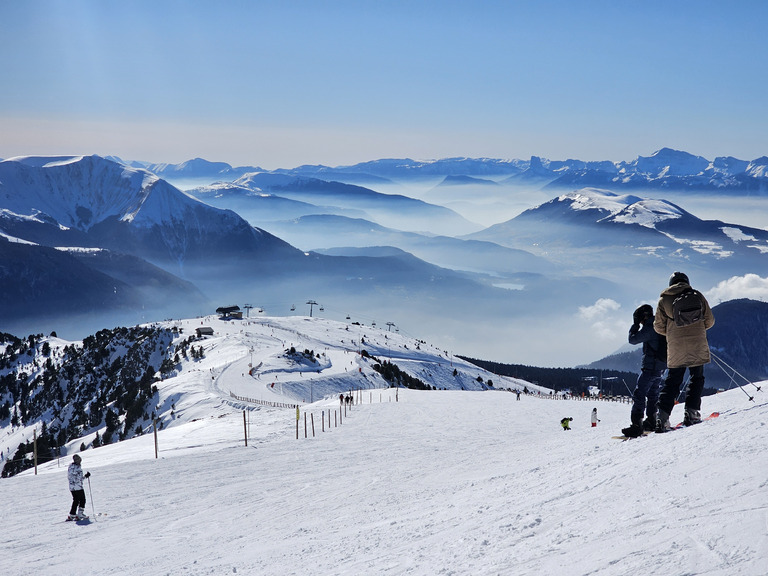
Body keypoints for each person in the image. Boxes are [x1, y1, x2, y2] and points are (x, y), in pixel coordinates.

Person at [653, 272, 714, 432]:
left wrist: (673, 333)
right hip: (697, 342)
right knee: (696, 377)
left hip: (676, 345)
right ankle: (692, 414)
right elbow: (710, 320)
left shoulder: (664, 300)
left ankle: (662, 418)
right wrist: (697, 328)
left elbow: (658, 326)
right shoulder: (697, 295)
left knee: (672, 381)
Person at [621, 304, 667, 437]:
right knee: (653, 394)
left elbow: (632, 340)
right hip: (660, 367)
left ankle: (637, 425)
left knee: (639, 394)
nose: (639, 321)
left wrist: (635, 326)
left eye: (639, 318)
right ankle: (652, 420)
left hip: (650, 367)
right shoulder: (659, 324)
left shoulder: (649, 328)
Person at [67, 454, 90, 521]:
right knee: (82, 499)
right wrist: (86, 476)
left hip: (71, 487)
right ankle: (80, 514)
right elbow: (79, 479)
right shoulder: (78, 468)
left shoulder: (70, 467)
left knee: (76, 499)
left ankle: (72, 514)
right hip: (78, 486)